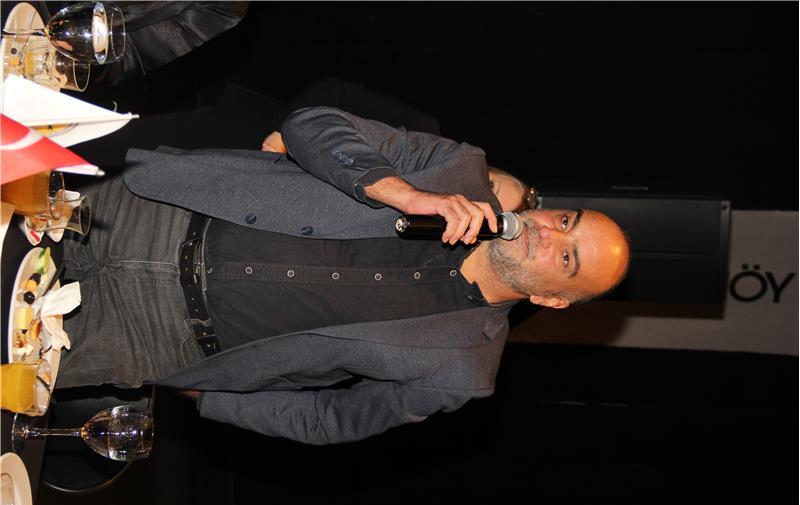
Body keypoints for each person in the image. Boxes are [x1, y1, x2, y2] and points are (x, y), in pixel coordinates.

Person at [59, 106, 629, 445]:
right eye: (566, 222)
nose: (548, 235)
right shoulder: (457, 168)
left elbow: (328, 421)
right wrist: (401, 192)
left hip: (150, 338)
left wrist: (209, 396)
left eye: (567, 259)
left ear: (553, 300)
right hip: (153, 210)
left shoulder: (462, 372)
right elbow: (314, 123)